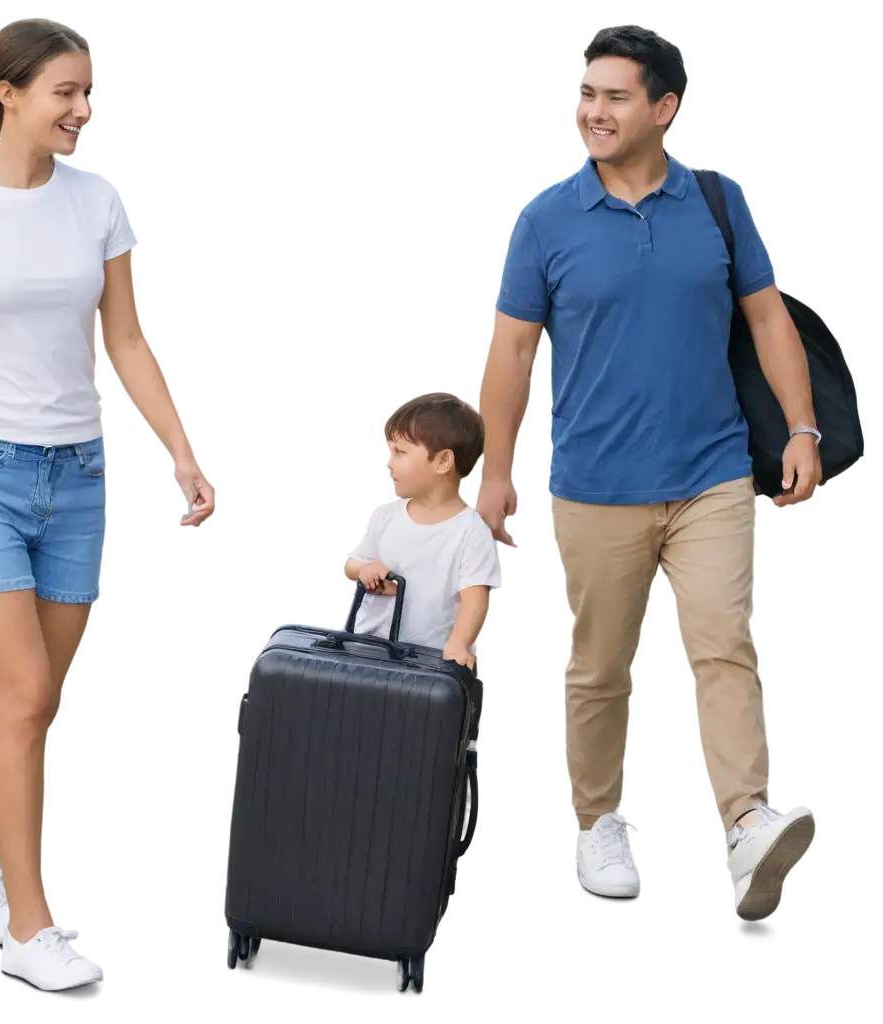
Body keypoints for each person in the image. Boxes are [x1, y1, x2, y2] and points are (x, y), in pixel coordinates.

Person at [0, 19, 216, 993]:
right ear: (9, 94)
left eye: (91, 94)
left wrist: (182, 449)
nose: (83, 111)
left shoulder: (101, 201)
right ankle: (30, 925)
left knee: (35, 702)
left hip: (76, 477)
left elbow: (130, 342)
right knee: (20, 695)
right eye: (65, 91)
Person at [475, 24, 821, 923]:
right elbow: (511, 350)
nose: (594, 110)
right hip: (594, 482)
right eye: (586, 93)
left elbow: (769, 318)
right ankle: (597, 824)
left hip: (710, 472)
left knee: (721, 642)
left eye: (615, 96)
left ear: (663, 109)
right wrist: (491, 469)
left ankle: (745, 824)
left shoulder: (715, 200)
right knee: (598, 668)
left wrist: (802, 427)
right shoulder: (547, 217)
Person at [340, 393, 503, 665]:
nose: (388, 462)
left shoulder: (472, 533)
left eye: (400, 452)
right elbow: (349, 565)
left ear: (442, 462)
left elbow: (474, 600)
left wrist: (458, 645)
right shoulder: (387, 514)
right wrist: (365, 570)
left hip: (423, 665)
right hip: (366, 653)